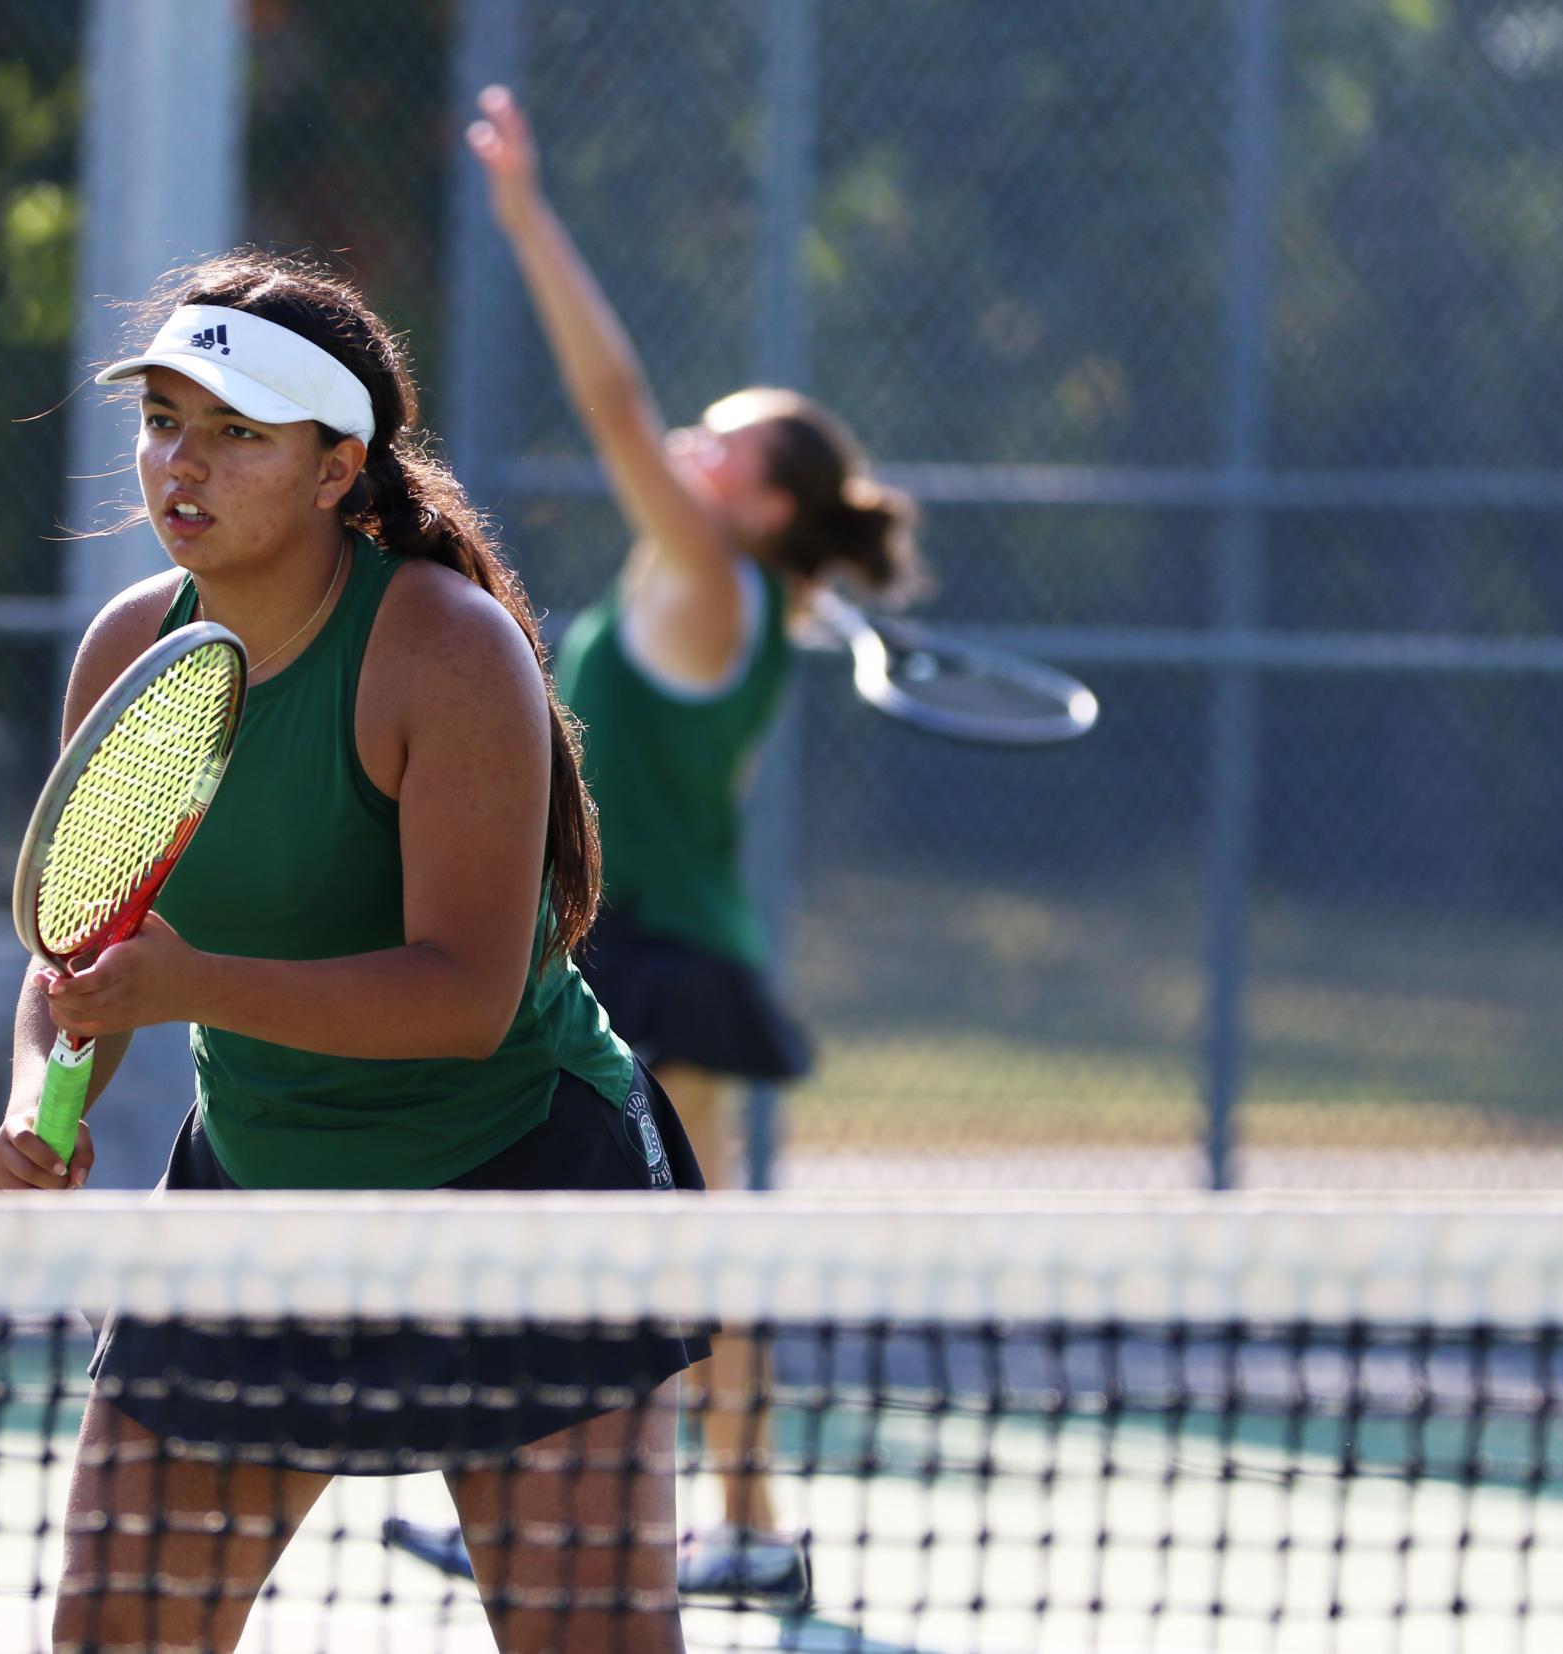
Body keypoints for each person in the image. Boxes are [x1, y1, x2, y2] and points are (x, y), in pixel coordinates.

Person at [0, 248, 708, 1654]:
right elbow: (83, 949)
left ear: (334, 469)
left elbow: (460, 996)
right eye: (165, 422)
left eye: (236, 433)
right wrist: (33, 1096)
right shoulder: (130, 647)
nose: (179, 464)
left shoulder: (446, 651)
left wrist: (188, 985)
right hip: (253, 1201)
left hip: (522, 1199)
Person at [385, 87, 930, 1609]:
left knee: (661, 1234)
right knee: (603, 1217)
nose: (688, 438)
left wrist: (527, 220)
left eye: (724, 439)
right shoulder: (741, 591)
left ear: (751, 499)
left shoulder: (709, 575)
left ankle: (710, 1518)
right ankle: (629, 1503)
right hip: (632, 938)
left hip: (659, 952)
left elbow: (616, 402)